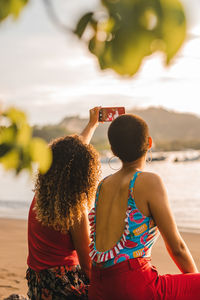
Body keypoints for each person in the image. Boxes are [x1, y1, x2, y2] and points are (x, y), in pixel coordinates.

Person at [88, 114, 200, 300]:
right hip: (131, 286)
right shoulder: (148, 182)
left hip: (99, 287)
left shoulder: (103, 185)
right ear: (149, 142)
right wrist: (194, 281)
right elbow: (177, 248)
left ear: (113, 150)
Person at [26, 107, 101, 300]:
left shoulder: (43, 195)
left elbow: (69, 157)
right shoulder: (74, 210)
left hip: (38, 284)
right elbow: (88, 268)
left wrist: (92, 125)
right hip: (62, 287)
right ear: (84, 173)